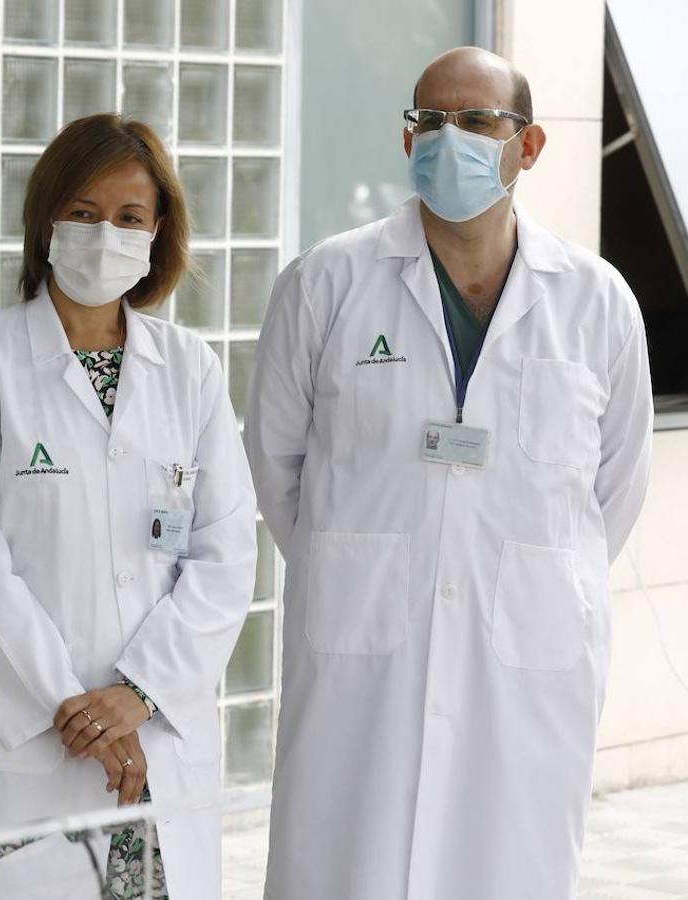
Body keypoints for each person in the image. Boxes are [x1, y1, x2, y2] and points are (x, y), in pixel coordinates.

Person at [245, 48, 652, 898]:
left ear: (529, 145)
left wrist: (521, 571)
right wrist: (363, 562)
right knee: (346, 863)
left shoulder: (595, 300)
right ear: (405, 140)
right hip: (363, 659)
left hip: (524, 662)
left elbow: (613, 488)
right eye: (427, 121)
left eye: (474, 122)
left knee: (506, 866)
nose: (446, 139)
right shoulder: (326, 282)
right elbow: (278, 466)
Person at [0, 114, 257, 899]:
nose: (105, 233)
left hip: (154, 738)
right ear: (46, 223)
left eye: (129, 217)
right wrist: (73, 708)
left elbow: (226, 551)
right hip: (26, 738)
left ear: (157, 232)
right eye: (82, 213)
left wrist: (136, 695)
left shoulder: (189, 369)